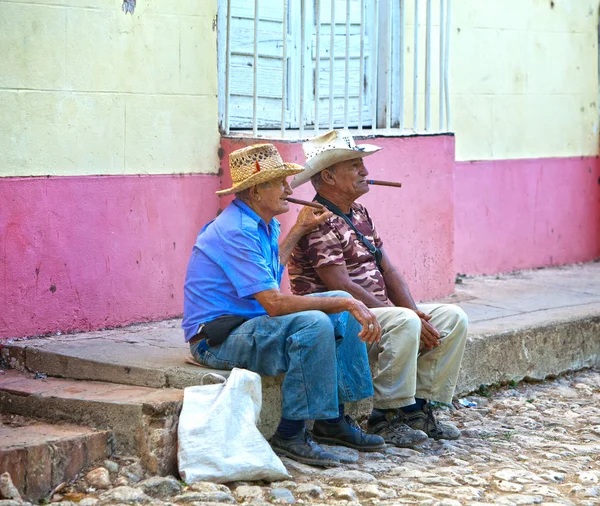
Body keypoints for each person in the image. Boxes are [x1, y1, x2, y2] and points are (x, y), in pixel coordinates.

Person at [183, 143, 385, 468]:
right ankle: (290, 434)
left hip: (250, 324)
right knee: (317, 321)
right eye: (280, 183)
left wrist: (300, 228)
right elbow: (274, 304)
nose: (289, 189)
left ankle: (332, 420)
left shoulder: (263, 223)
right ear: (255, 190)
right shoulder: (235, 230)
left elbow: (270, 273)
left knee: (338, 309)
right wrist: (345, 300)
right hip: (215, 341)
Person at [288, 130, 469, 447]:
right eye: (355, 165)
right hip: (345, 321)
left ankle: (419, 410)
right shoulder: (319, 220)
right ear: (328, 175)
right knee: (405, 322)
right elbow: (339, 285)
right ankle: (385, 417)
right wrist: (401, 315)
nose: (366, 172)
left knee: (452, 318)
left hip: (378, 314)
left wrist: (414, 311)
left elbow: (387, 268)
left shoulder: (359, 213)